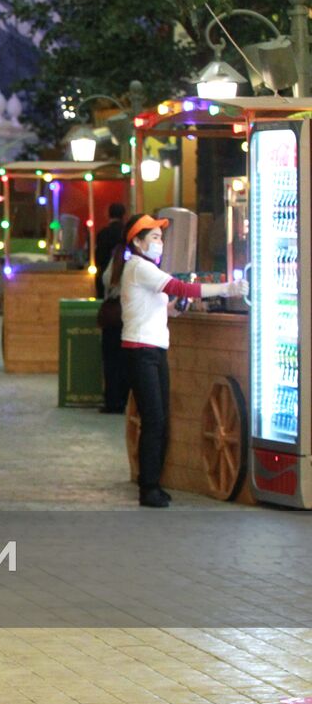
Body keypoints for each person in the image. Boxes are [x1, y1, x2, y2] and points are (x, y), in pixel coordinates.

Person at [108, 213, 246, 507]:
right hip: (141, 350)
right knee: (154, 419)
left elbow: (162, 307)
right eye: (155, 238)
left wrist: (173, 310)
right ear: (137, 241)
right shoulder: (139, 267)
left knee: (159, 419)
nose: (160, 243)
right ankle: (148, 488)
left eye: (161, 238)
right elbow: (181, 288)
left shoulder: (144, 270)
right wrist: (226, 288)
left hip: (154, 349)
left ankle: (153, 484)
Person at [93, 202, 129, 414]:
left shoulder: (104, 236)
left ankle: (112, 399)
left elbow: (104, 276)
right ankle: (125, 398)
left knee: (111, 359)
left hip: (112, 313)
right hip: (128, 314)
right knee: (124, 360)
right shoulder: (130, 252)